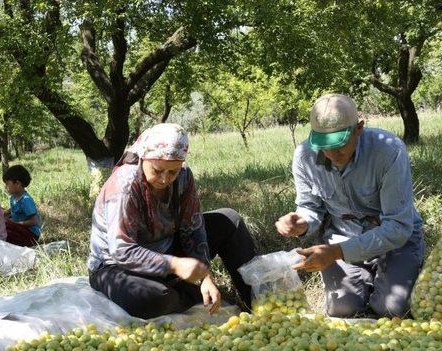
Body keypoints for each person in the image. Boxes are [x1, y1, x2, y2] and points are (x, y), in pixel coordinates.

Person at [275, 93, 424, 318]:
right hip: (342, 237)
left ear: (359, 128)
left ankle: (389, 274)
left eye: (339, 145)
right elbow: (310, 206)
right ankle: (369, 278)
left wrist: (335, 253)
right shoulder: (304, 156)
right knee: (343, 310)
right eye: (324, 146)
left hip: (395, 243)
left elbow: (397, 227)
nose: (331, 154)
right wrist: (302, 222)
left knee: (393, 309)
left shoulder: (388, 151)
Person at [88, 123, 257, 319]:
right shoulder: (124, 185)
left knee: (229, 220)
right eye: (158, 170)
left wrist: (204, 275)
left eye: (172, 172)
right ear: (144, 158)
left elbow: (192, 227)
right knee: (150, 298)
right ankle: (184, 293)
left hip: (165, 249)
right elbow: (122, 250)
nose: (164, 179)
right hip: (116, 266)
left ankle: (259, 303)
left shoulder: (184, 176)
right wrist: (176, 265)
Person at [2, 165, 41, 247]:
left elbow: (34, 221)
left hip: (30, 234)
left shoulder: (26, 200)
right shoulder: (13, 197)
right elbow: (15, 209)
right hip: (20, 229)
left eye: (7, 184)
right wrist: (7, 212)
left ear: (17, 184)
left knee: (4, 230)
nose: (5, 187)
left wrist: (16, 223)